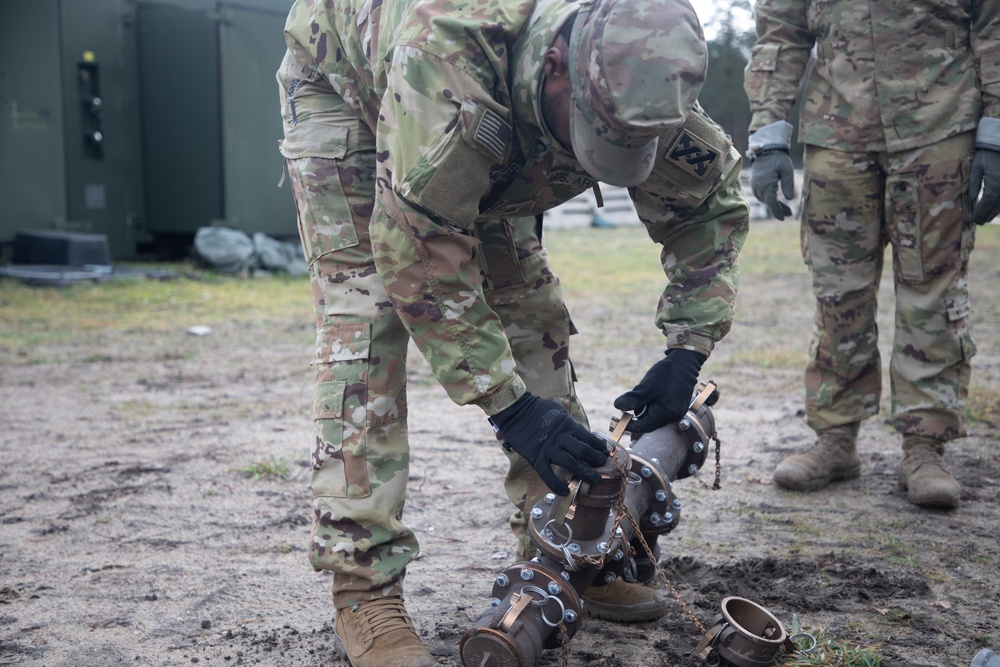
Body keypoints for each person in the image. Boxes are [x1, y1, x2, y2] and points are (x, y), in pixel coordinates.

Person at [276, 0, 749, 663]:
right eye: (598, 136)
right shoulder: (444, 55)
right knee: (368, 328)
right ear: (556, 67)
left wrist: (686, 349)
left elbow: (710, 208)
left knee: (530, 312)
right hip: (351, 99)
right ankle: (364, 586)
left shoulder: (639, 72)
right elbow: (418, 252)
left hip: (496, 120)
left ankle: (565, 546)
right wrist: (508, 405)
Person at [743, 0, 1000, 510]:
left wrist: (995, 132)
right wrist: (768, 135)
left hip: (941, 126)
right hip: (836, 132)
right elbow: (781, 29)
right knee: (839, 294)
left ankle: (924, 445)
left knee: (933, 292)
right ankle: (836, 439)